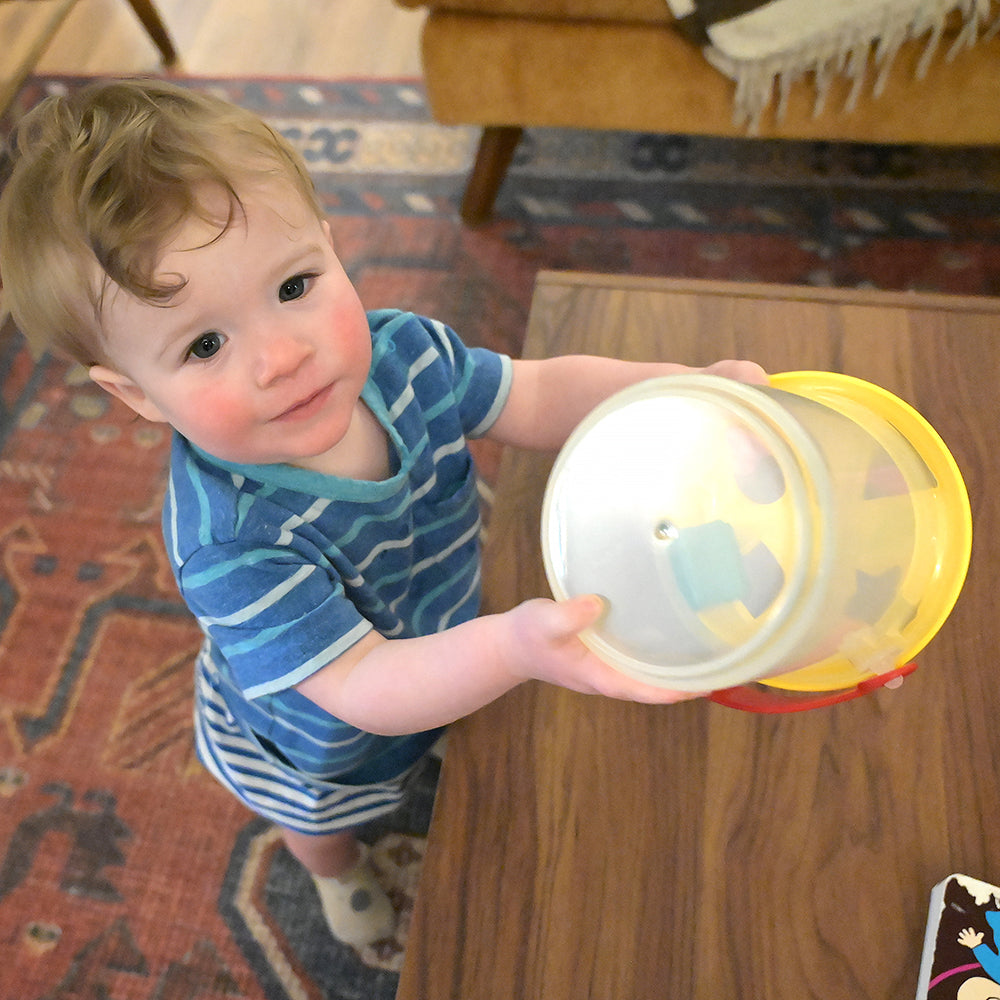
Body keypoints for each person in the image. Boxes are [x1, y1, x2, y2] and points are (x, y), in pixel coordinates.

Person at [0, 79, 767, 951]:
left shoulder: (403, 351)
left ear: (332, 248)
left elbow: (540, 391)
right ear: (135, 394)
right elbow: (363, 687)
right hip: (322, 736)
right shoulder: (231, 543)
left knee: (446, 698)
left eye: (294, 284)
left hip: (436, 626)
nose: (283, 356)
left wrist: (689, 392)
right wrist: (513, 646)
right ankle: (332, 871)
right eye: (205, 344)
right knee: (322, 819)